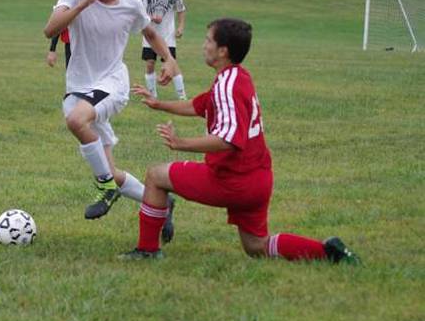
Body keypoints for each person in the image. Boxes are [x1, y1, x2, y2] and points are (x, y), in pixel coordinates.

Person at [120, 18, 360, 264]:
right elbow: (199, 105)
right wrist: (158, 104)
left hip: (233, 181)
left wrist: (181, 143)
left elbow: (229, 140)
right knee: (256, 246)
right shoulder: (238, 77)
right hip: (259, 179)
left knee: (156, 176)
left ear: (223, 51)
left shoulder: (227, 84)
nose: (203, 46)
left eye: (208, 41)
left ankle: (147, 250)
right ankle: (327, 252)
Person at [43, 0, 181, 238]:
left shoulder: (131, 3)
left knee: (77, 121)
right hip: (78, 86)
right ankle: (161, 203)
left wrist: (169, 59)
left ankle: (104, 188)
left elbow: (151, 33)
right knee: (110, 170)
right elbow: (50, 30)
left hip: (112, 82)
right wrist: (83, 4)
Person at [139, 0, 187, 100]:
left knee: (171, 63)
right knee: (150, 63)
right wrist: (152, 18)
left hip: (168, 35)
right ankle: (152, 95)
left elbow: (181, 10)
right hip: (150, 35)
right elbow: (140, 12)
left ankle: (182, 96)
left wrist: (180, 27)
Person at [46, 0, 89, 69]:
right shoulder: (67, 5)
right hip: (71, 44)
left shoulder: (96, 4)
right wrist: (52, 50)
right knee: (71, 73)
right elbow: (58, 26)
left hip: (90, 45)